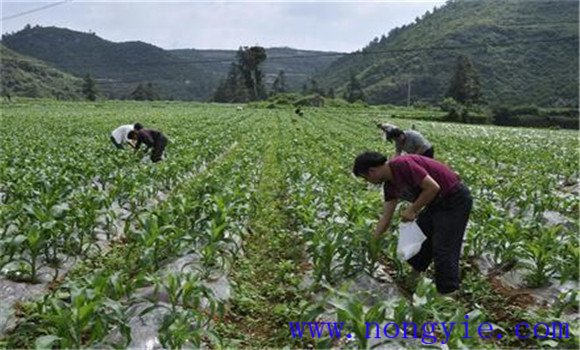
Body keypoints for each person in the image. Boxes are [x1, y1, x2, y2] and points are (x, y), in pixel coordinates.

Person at [352, 151, 472, 295]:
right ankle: (413, 278)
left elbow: (433, 187)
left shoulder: (401, 165)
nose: (368, 182)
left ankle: (448, 293)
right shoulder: (389, 186)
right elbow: (386, 218)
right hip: (435, 203)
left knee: (444, 246)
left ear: (372, 171)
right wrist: (373, 241)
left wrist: (412, 209)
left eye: (366, 178)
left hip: (454, 199)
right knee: (422, 237)